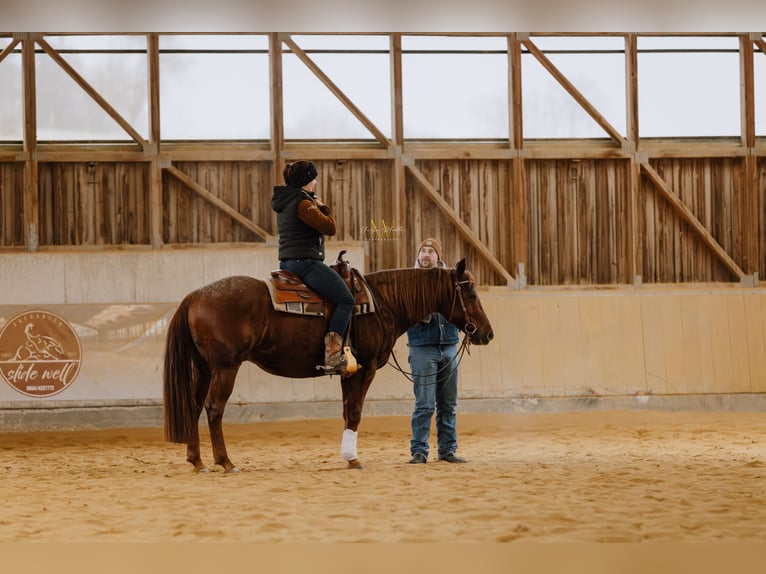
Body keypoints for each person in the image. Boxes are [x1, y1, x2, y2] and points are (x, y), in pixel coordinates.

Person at [271, 160, 355, 374]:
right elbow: (330, 227)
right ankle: (333, 355)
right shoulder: (304, 204)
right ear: (306, 181)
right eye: (313, 177)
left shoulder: (286, 201)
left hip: (289, 261)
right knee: (346, 300)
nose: (316, 181)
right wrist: (323, 207)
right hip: (306, 263)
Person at [407, 238, 466, 464]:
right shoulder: (410, 282)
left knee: (448, 404)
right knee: (424, 404)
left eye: (431, 251)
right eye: (423, 250)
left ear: (438, 257)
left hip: (449, 346)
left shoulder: (452, 281)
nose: (426, 255)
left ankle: (447, 450)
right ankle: (419, 451)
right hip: (422, 348)